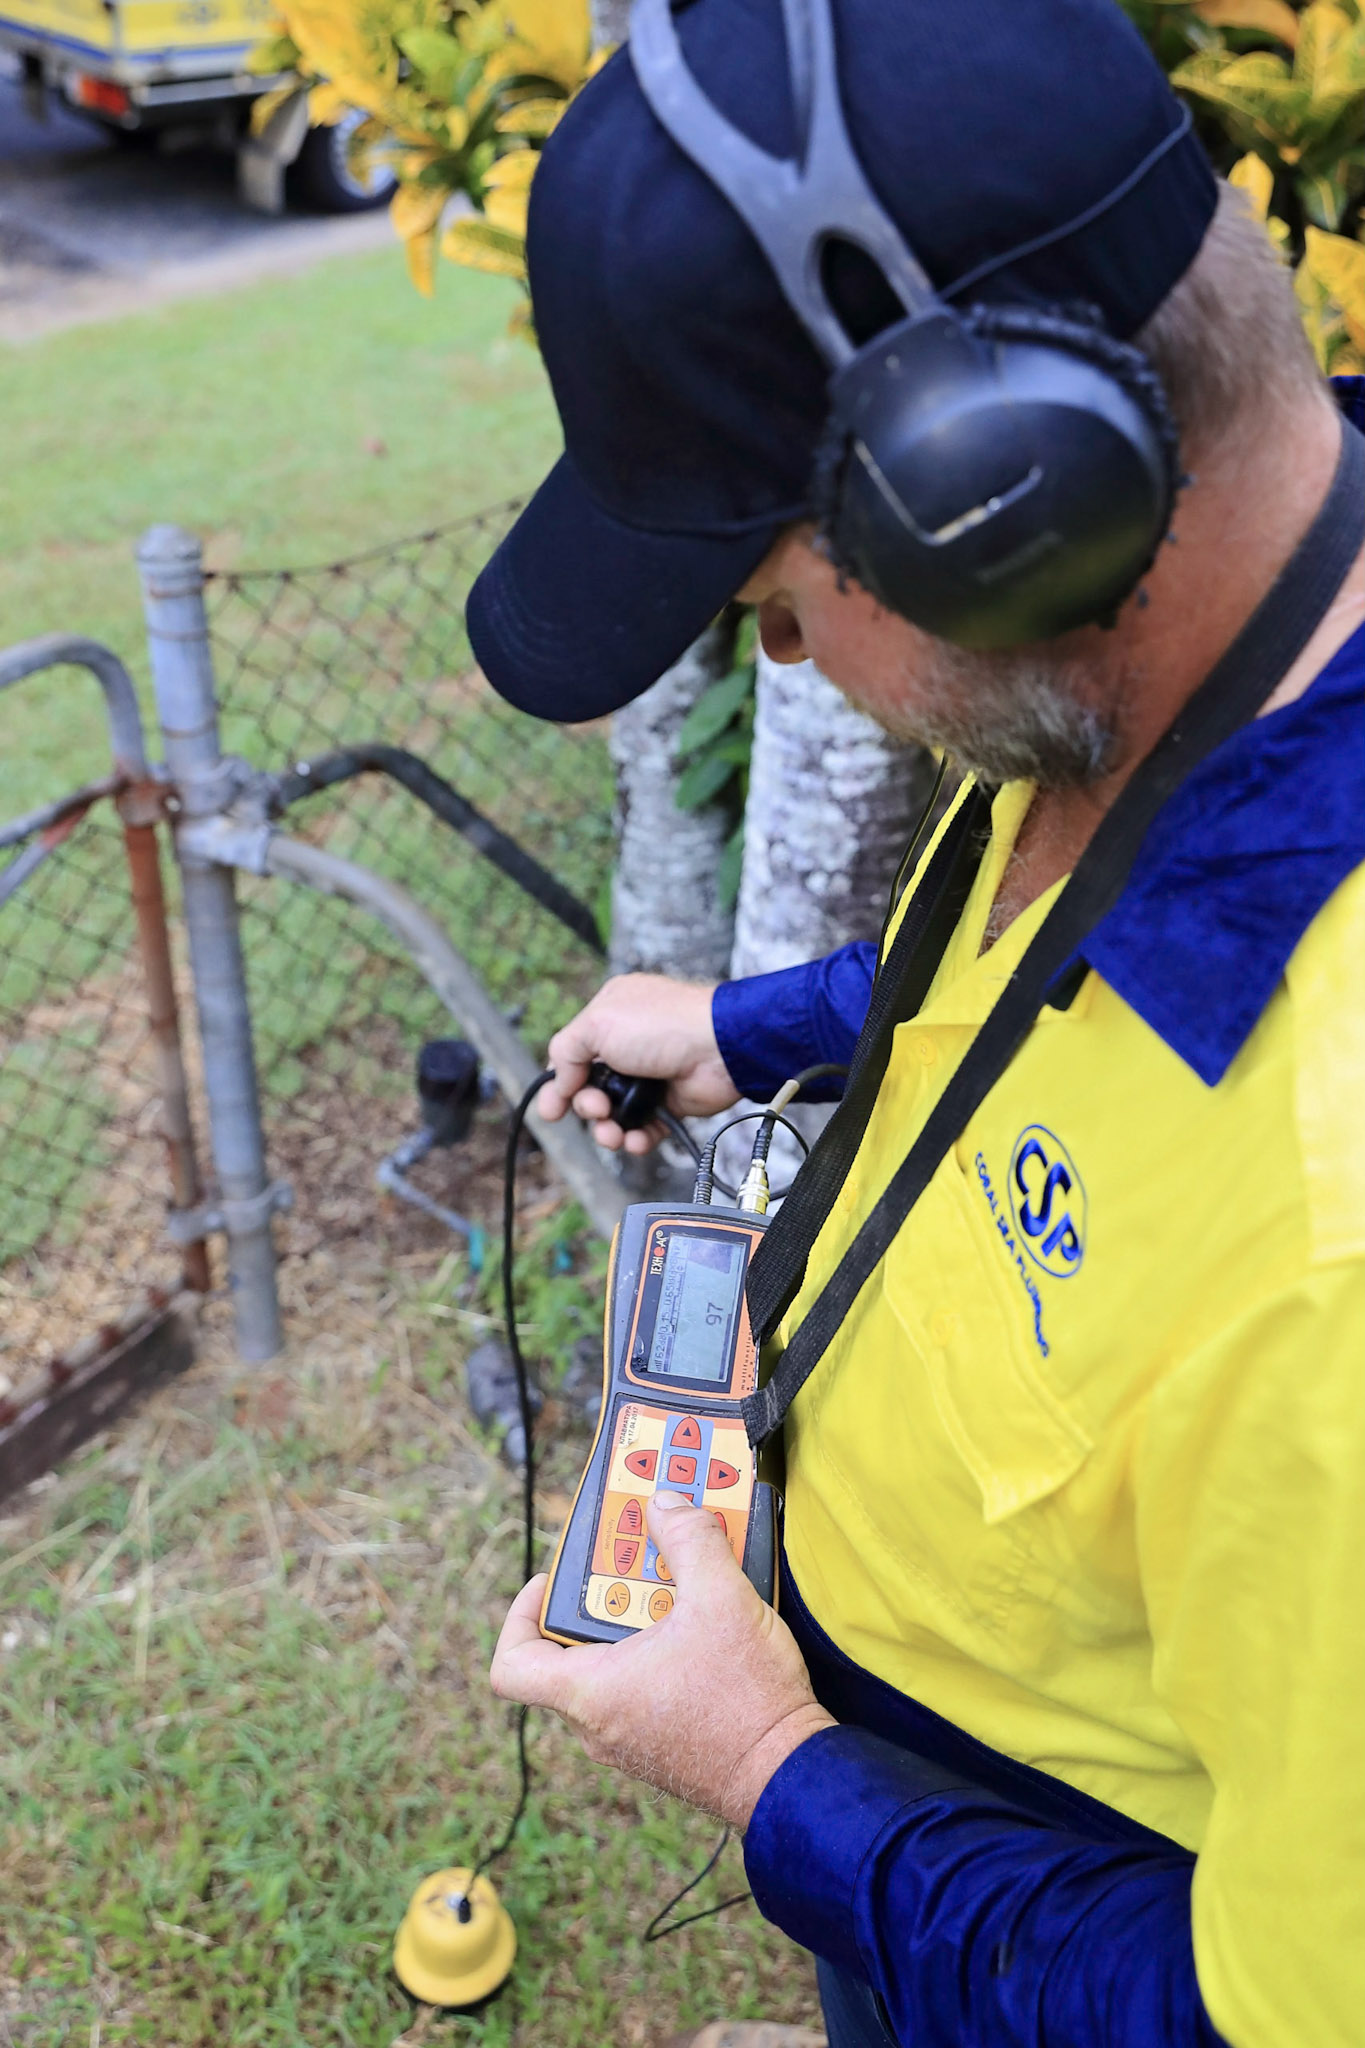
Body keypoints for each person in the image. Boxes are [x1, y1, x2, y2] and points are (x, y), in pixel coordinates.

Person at [468, 2, 1365, 2042]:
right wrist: (761, 1021)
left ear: (995, 493)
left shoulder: (1336, 1248)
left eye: (778, 595)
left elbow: (1270, 2015)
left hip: (1014, 1905)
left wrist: (769, 1772)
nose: (778, 649)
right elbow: (1079, 981)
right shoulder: (1183, 662)